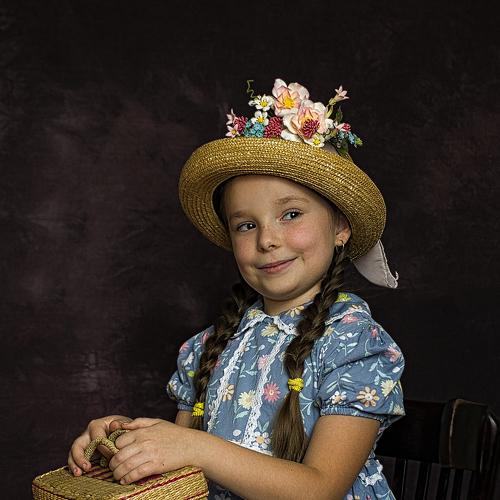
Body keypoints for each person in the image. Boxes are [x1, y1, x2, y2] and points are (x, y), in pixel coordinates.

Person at [68, 78, 404, 499]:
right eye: (246, 225)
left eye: (291, 214)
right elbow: (178, 475)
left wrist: (196, 447)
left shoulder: (354, 343)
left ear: (340, 227)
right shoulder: (209, 347)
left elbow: (319, 490)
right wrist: (124, 442)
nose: (267, 240)